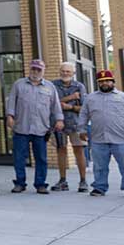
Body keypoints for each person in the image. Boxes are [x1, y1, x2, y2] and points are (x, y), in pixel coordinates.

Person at [78, 69, 124, 198]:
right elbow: (83, 115)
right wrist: (82, 130)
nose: (105, 83)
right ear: (98, 83)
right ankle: (99, 187)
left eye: (107, 81)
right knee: (99, 167)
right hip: (98, 139)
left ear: (113, 82)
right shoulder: (90, 98)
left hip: (121, 139)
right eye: (102, 81)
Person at [6, 58, 64, 194]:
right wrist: (9, 116)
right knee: (19, 157)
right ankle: (20, 183)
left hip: (41, 129)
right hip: (21, 127)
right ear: (29, 69)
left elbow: (56, 105)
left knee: (41, 158)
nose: (35, 71)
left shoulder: (50, 87)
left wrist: (59, 120)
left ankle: (40, 184)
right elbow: (11, 102)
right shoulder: (18, 84)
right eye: (33, 69)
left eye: (39, 69)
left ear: (43, 71)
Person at [51, 61, 89, 192]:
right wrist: (72, 97)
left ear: (73, 73)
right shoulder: (53, 85)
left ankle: (83, 181)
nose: (65, 73)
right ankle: (62, 181)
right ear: (59, 71)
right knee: (61, 151)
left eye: (68, 71)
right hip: (58, 123)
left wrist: (70, 107)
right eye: (63, 71)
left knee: (79, 151)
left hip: (76, 124)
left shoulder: (80, 86)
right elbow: (51, 103)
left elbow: (84, 108)